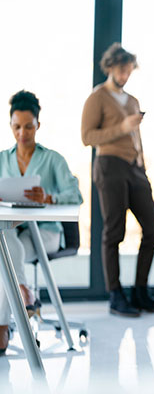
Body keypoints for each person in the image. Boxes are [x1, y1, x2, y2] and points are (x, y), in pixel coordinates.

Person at [81, 43, 154, 317]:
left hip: (135, 168)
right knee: (114, 231)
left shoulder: (132, 101)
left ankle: (140, 291)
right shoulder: (98, 98)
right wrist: (122, 127)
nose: (125, 75)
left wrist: (141, 161)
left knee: (152, 228)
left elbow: (136, 136)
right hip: (109, 165)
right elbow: (87, 137)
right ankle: (115, 295)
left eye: (129, 71)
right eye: (121, 70)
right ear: (110, 67)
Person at [0, 90, 83, 354]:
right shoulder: (2, 159)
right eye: (16, 127)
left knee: (4, 259)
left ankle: (2, 328)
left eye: (28, 127)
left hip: (46, 233)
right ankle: (24, 290)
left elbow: (76, 194)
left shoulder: (52, 159)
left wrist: (49, 197)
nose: (22, 133)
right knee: (5, 245)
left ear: (38, 125)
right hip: (14, 233)